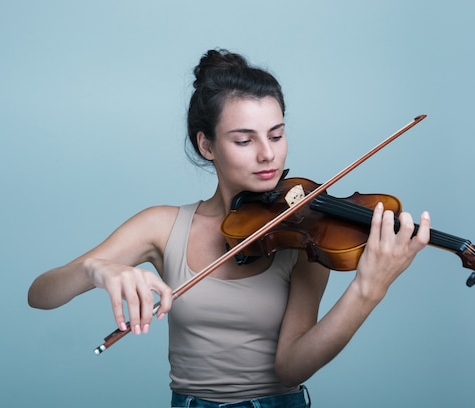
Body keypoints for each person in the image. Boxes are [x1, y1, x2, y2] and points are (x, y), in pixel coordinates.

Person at [28, 49, 431, 407]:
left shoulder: (307, 231)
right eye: (244, 140)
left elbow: (291, 368)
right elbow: (40, 295)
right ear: (207, 146)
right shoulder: (162, 226)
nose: (267, 153)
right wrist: (95, 269)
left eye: (276, 134)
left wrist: (368, 289)